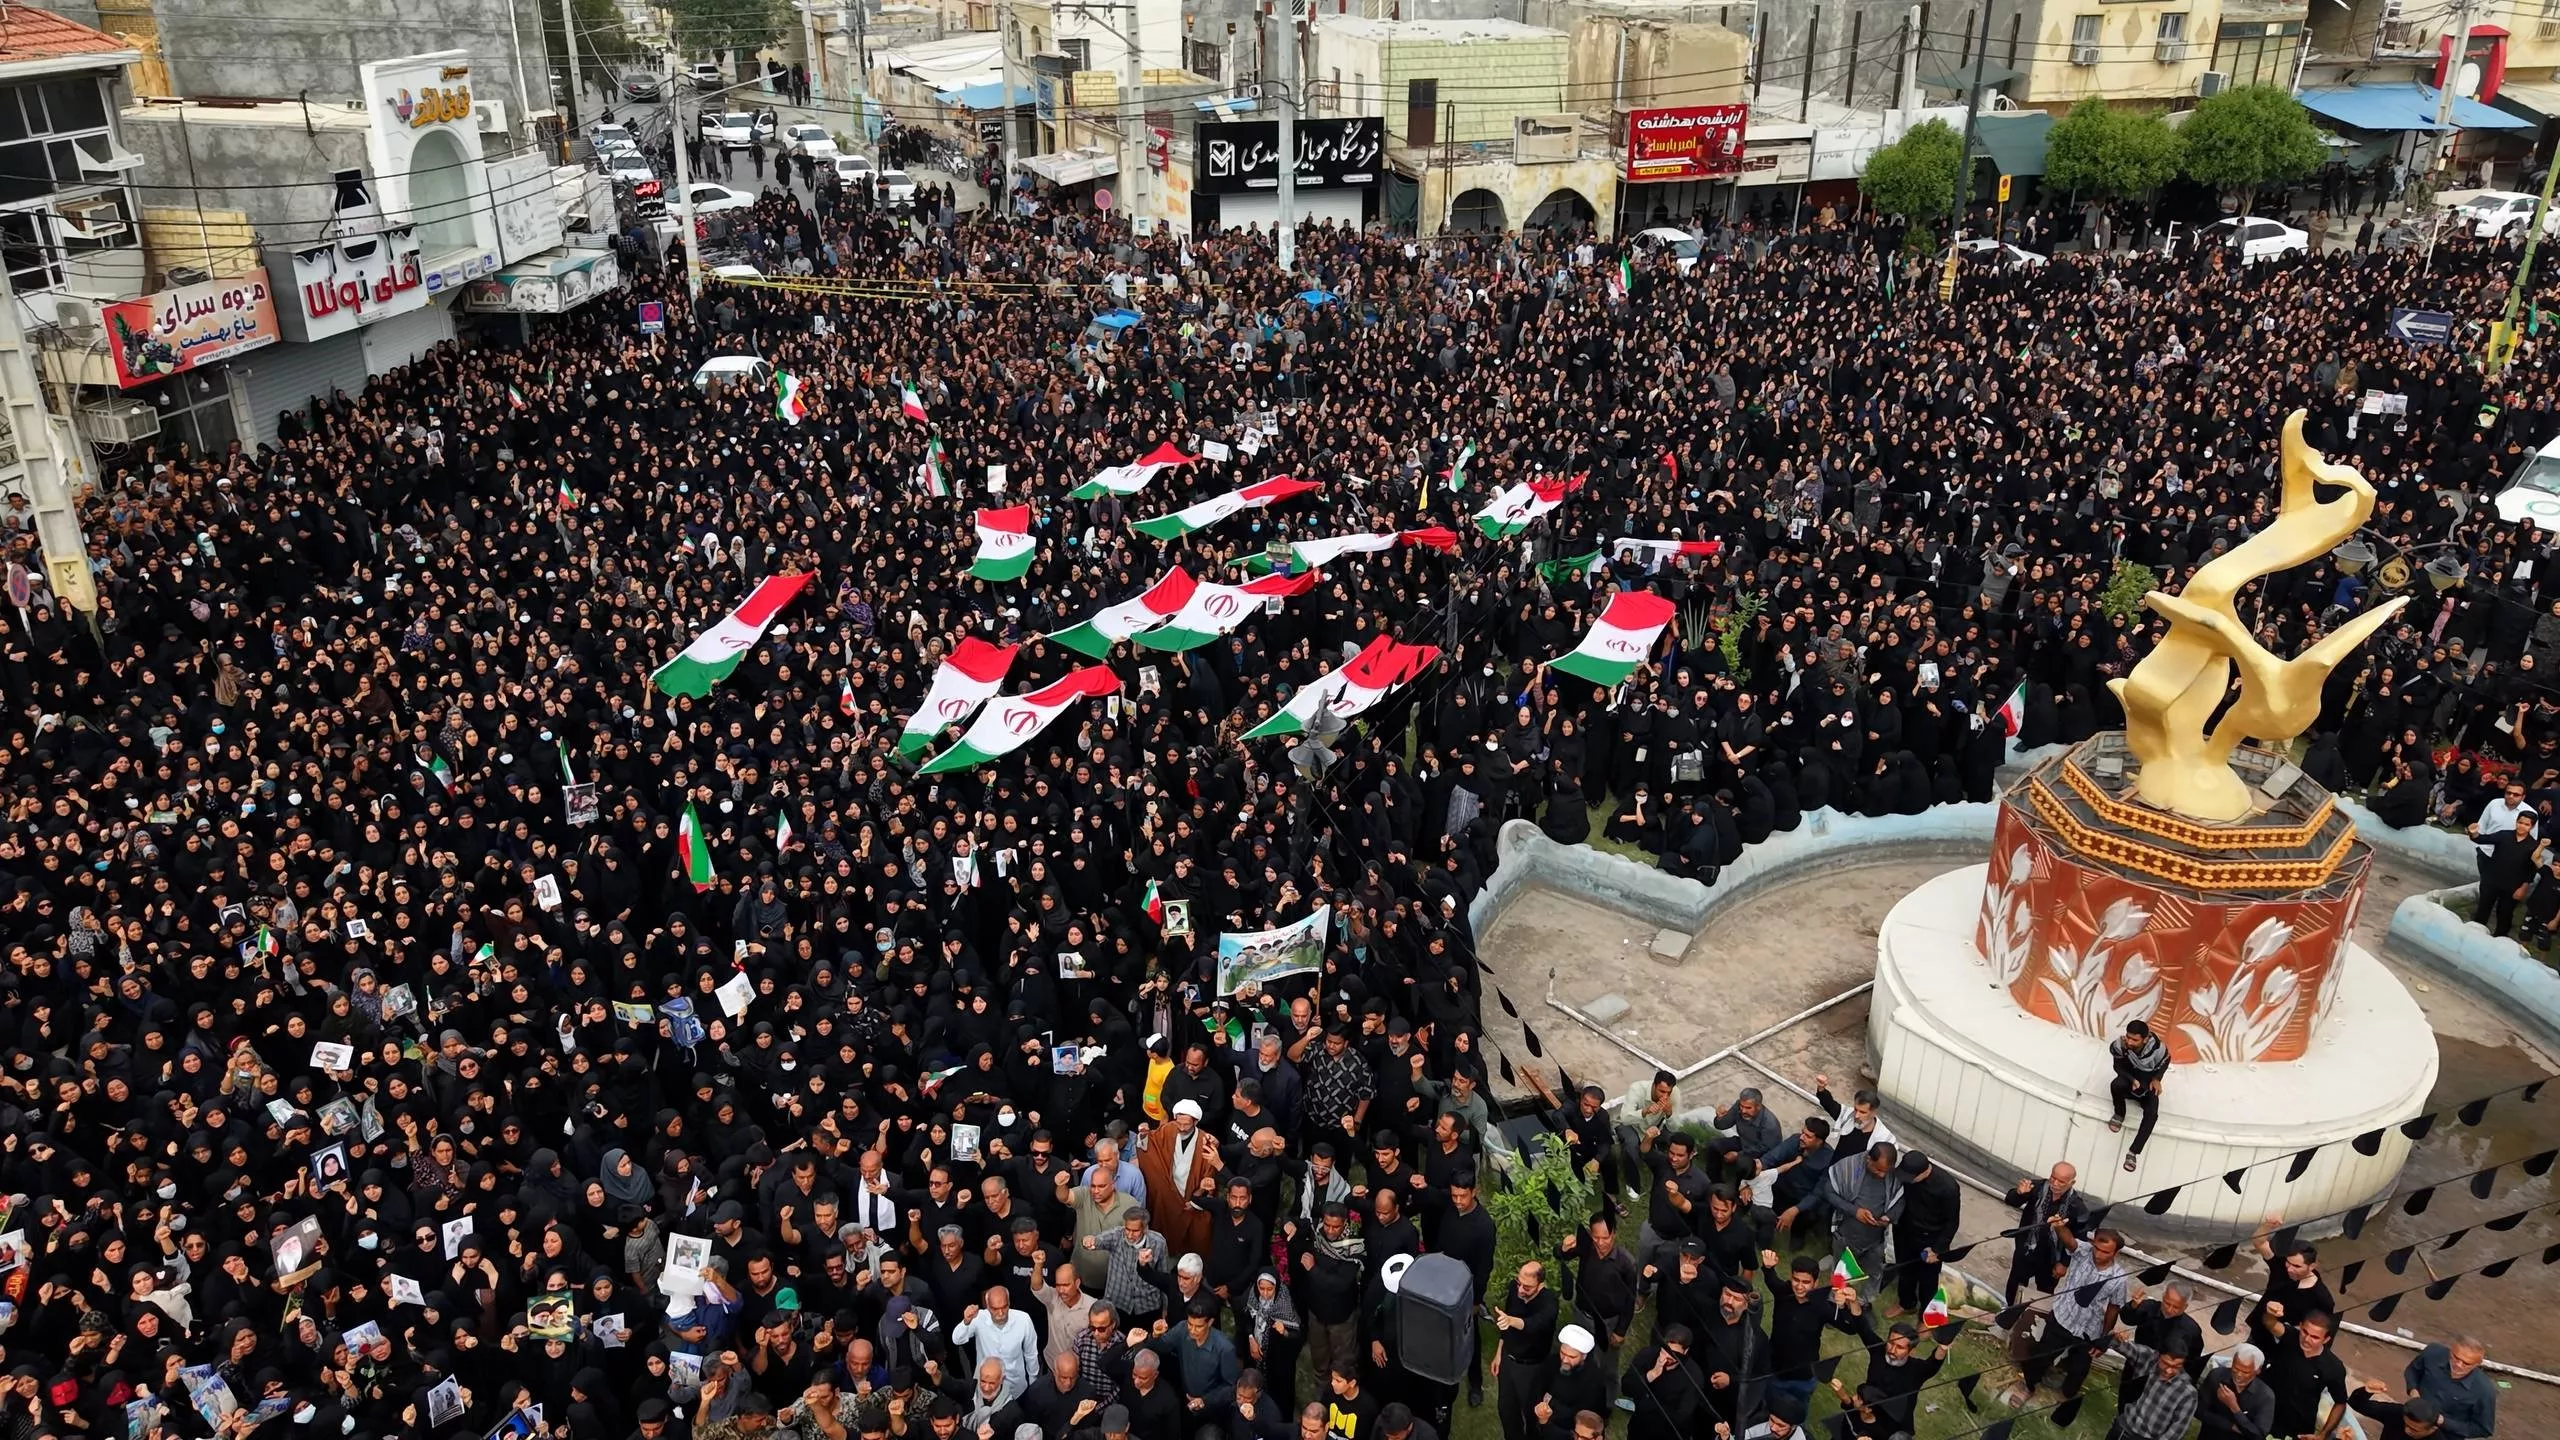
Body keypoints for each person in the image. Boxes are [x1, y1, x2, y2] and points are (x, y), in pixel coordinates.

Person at [2004, 1227, 2128, 1408]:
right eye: (2096, 1248)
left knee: (2079, 1369)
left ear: (2116, 1253)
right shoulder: (2083, 1252)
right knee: (2041, 1356)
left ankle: (2065, 1396)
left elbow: (2113, 1308)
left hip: (2088, 1329)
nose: (2098, 1254)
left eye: (2105, 1252)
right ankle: (2028, 1386)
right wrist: (2059, 1226)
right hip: (2062, 1317)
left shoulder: (2119, 1278)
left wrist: (2104, 1337)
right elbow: (2069, 1241)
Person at [2106, 1020, 2169, 1171]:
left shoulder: (2158, 1049)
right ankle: (2119, 1114)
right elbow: (2117, 1066)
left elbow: (2166, 1061)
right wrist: (2132, 1080)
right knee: (2116, 1085)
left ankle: (2133, 1152)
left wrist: (2157, 1079)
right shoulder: (2120, 1045)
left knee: (2152, 1114)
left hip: (2147, 1084)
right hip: (2129, 1080)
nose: (2129, 1042)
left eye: (2135, 1040)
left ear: (2145, 1039)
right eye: (2128, 1037)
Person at [2401, 1337, 2495, 1438]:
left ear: (2477, 1364)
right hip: (2412, 1420)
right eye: (2456, 1357)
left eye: (2466, 1363)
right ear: (2450, 1350)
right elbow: (2413, 1371)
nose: (2458, 1365)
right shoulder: (2432, 1353)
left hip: (2445, 1435)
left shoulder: (2484, 1391)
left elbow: (2483, 1429)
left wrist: (2443, 1421)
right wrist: (2414, 1392)